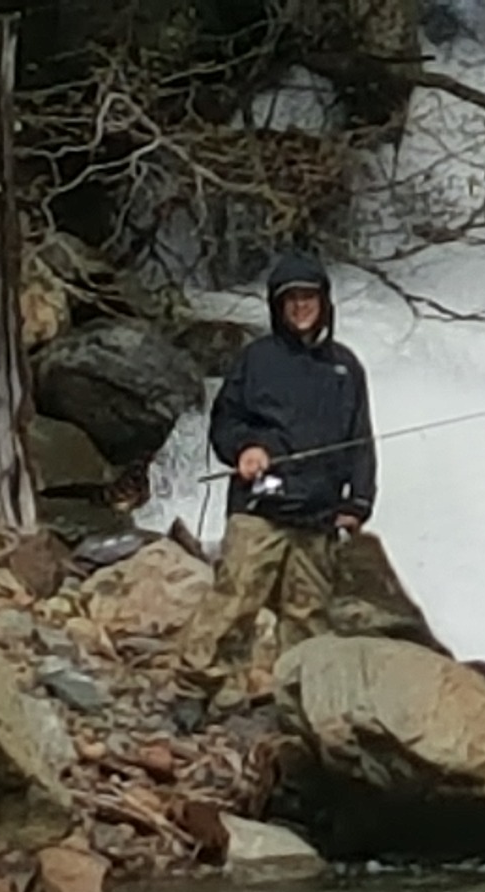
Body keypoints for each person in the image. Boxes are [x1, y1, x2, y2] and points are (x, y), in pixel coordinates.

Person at [176, 251, 376, 714]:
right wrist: (245, 448)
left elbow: (361, 441)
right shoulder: (256, 359)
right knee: (234, 600)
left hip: (319, 514)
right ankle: (196, 690)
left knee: (309, 617)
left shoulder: (347, 368)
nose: (301, 306)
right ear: (277, 307)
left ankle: (297, 708)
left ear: (324, 303)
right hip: (258, 510)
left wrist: (359, 501)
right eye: (291, 300)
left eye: (309, 297)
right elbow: (224, 421)